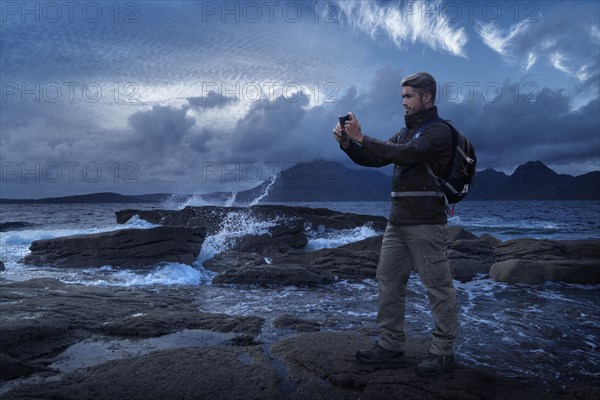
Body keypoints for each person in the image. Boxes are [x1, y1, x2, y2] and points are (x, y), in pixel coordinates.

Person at [332, 72, 458, 377]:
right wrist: (348, 144)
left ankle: (443, 353)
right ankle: (391, 347)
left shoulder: (439, 132)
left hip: (427, 223)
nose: (404, 102)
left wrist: (363, 137)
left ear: (427, 97)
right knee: (388, 281)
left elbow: (409, 155)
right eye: (402, 96)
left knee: (438, 286)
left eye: (409, 96)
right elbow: (376, 159)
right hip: (397, 223)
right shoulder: (403, 133)